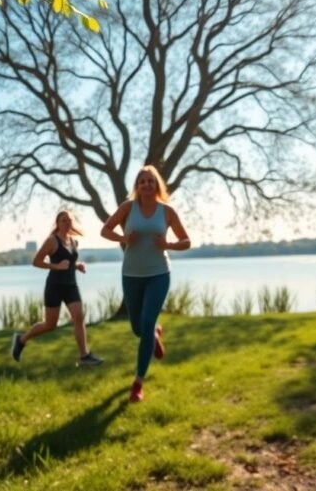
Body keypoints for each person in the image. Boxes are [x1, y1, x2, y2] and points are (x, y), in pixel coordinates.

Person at [101, 165, 190, 402]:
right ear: (137, 186)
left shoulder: (167, 211)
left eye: (151, 181)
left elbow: (186, 241)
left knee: (147, 321)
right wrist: (123, 238)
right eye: (143, 181)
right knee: (138, 329)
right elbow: (105, 230)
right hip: (131, 274)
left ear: (157, 185)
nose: (147, 185)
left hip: (159, 273)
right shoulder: (128, 208)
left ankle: (138, 382)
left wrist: (168, 245)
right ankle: (155, 334)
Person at [11, 210, 104, 367]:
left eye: (69, 221)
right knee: (50, 324)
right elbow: (36, 261)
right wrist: (56, 266)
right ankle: (21, 339)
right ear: (58, 223)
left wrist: (77, 265)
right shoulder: (52, 241)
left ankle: (84, 356)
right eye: (63, 221)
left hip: (71, 286)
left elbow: (67, 263)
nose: (67, 223)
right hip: (54, 286)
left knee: (79, 317)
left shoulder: (73, 242)